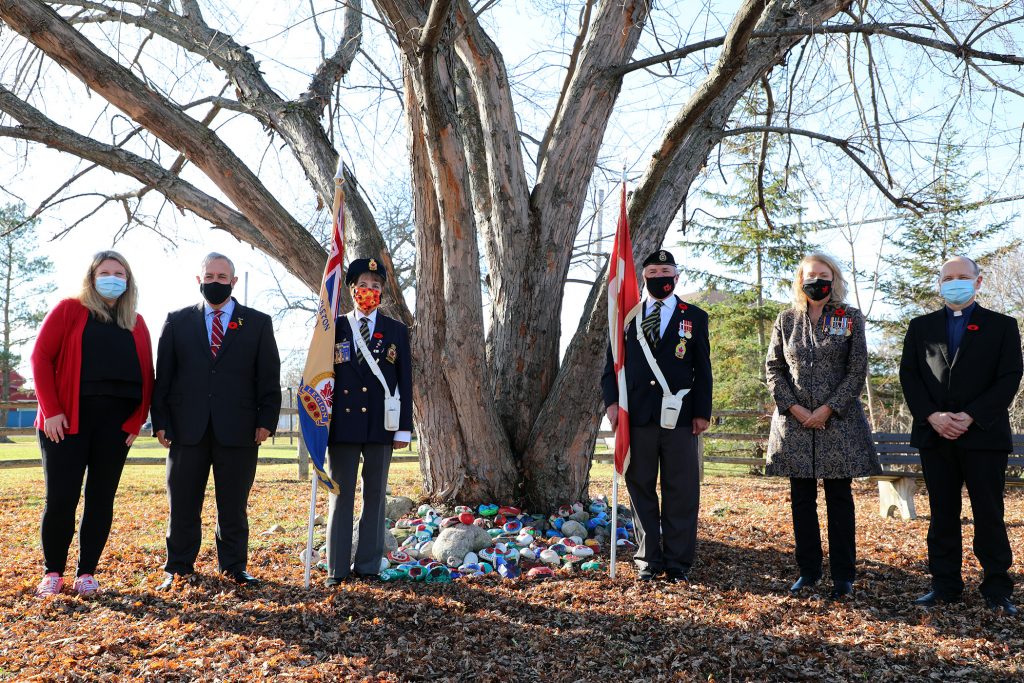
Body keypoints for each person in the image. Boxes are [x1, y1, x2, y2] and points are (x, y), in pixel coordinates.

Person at [899, 256, 1022, 614]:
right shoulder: (921, 327)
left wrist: (969, 416)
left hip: (983, 435)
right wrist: (932, 416)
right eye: (948, 278)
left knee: (989, 513)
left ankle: (997, 587)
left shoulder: (1002, 325)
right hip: (935, 435)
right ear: (939, 284)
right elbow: (910, 376)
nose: (955, 283)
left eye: (963, 277)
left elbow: (1010, 376)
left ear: (978, 282)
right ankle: (944, 585)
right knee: (942, 514)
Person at [151, 252, 281, 589]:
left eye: (222, 277)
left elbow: (268, 377)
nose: (215, 282)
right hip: (186, 429)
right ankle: (178, 568)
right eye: (209, 276)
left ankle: (234, 567)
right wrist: (160, 420)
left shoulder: (257, 323)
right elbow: (162, 376)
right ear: (199, 280)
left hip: (239, 429)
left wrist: (267, 419)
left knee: (233, 506)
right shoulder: (177, 321)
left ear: (233, 282)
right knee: (182, 504)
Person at [30, 251, 154, 597]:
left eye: (119, 273)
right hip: (65, 422)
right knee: (61, 498)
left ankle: (86, 573)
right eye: (105, 272)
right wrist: (51, 409)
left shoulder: (137, 323)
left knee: (101, 499)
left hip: (115, 428)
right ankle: (52, 571)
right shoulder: (69, 310)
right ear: (92, 276)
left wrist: (135, 422)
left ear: (128, 281)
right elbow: (40, 357)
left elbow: (147, 376)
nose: (112, 278)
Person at [764, 253, 880, 600]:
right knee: (801, 500)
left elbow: (856, 369)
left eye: (824, 274)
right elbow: (774, 369)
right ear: (801, 280)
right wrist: (797, 409)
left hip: (838, 424)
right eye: (811, 275)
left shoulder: (849, 317)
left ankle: (843, 575)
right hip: (794, 424)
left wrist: (828, 409)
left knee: (839, 500)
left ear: (834, 278)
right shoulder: (786, 320)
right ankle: (809, 571)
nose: (817, 280)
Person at [601, 249, 712, 582]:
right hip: (637, 416)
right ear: (644, 276)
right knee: (640, 488)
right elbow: (611, 368)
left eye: (666, 270)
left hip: (680, 417)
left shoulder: (694, 316)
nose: (660, 276)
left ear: (676, 277)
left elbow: (702, 368)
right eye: (653, 271)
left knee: (682, 489)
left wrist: (702, 412)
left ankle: (678, 563)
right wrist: (611, 404)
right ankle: (648, 560)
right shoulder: (627, 318)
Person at [324, 258, 412, 585]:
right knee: (340, 495)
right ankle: (336, 569)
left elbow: (404, 380)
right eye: (363, 285)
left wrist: (403, 427)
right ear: (351, 289)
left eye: (376, 286)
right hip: (341, 427)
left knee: (375, 497)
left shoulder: (396, 331)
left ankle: (368, 566)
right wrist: (318, 423)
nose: (369, 291)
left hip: (381, 424)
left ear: (382, 293)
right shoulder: (333, 327)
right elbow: (321, 377)